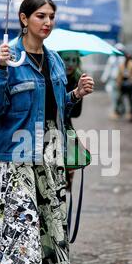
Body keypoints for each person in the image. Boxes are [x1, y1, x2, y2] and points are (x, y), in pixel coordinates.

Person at [0, 0, 95, 264]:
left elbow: (56, 107)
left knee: (43, 234)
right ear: (23, 18)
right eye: (40, 16)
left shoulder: (56, 61)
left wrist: (75, 94)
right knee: (21, 237)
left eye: (51, 16)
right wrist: (0, 69)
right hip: (14, 161)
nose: (47, 22)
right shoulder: (7, 58)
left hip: (49, 157)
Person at [58, 51, 83, 191]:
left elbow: (76, 113)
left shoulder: (77, 79)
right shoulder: (49, 76)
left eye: (74, 60)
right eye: (67, 59)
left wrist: (75, 95)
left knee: (66, 183)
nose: (71, 64)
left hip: (66, 130)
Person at [101, 43, 125, 119]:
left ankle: (121, 110)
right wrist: (104, 78)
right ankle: (114, 111)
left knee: (120, 96)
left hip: (120, 80)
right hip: (112, 79)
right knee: (113, 96)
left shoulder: (124, 59)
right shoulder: (111, 58)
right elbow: (108, 69)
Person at [116, 51, 132, 121]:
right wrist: (118, 83)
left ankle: (131, 113)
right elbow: (119, 74)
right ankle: (118, 112)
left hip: (129, 83)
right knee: (119, 98)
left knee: (131, 99)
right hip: (122, 82)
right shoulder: (122, 65)